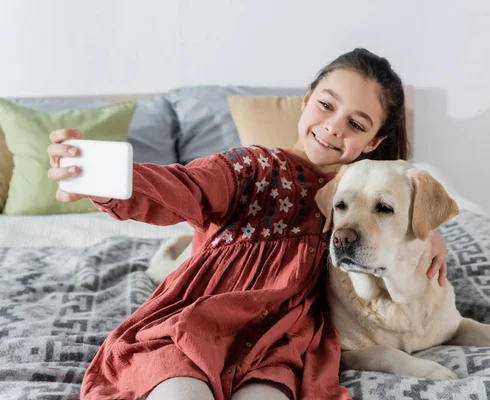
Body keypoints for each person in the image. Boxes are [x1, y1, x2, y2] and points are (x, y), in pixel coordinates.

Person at [47, 48, 449, 400]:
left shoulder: (350, 198)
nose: (333, 127)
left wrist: (430, 235)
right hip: (196, 324)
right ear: (307, 101)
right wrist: (104, 182)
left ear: (374, 142)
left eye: (357, 124)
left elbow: (399, 213)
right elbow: (184, 188)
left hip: (277, 345)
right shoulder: (249, 167)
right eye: (326, 105)